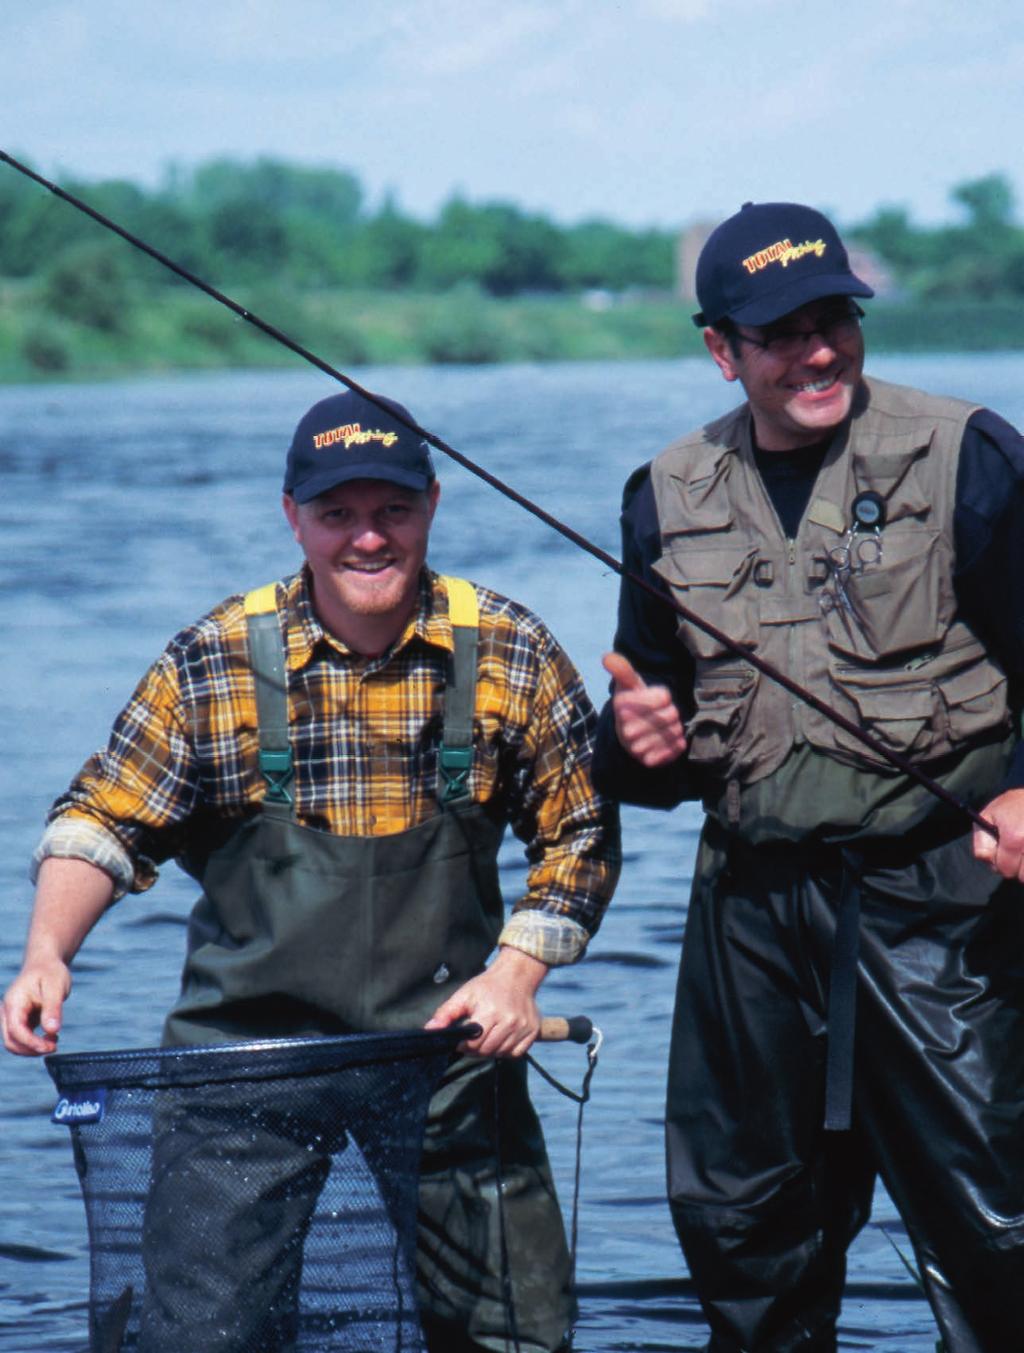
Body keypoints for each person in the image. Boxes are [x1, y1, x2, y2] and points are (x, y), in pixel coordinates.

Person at [2, 386, 621, 1353]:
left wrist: (515, 975)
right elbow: (100, 821)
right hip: (244, 1066)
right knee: (201, 1335)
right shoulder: (213, 657)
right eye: (338, 514)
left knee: (517, 1335)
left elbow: (578, 834)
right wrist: (46, 951)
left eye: (392, 511)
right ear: (293, 516)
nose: (366, 538)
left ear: (432, 503)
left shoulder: (508, 647)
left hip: (450, 1057)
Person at [593, 200, 1024, 1353]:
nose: (816, 350)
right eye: (781, 331)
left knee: (998, 1232)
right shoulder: (663, 496)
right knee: (742, 1230)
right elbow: (656, 741)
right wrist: (636, 748)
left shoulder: (968, 454)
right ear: (721, 349)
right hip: (749, 913)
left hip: (943, 899)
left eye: (832, 318)